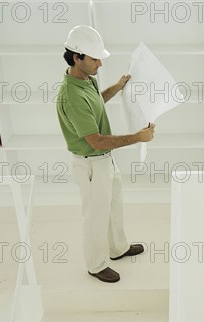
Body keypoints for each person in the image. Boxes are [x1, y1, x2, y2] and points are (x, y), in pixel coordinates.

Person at [57, 25, 155, 283]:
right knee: (95, 216)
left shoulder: (85, 80)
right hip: (90, 163)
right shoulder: (71, 96)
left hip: (104, 160)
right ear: (77, 57)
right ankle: (95, 264)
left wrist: (117, 86)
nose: (100, 63)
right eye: (94, 58)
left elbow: (96, 100)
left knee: (114, 206)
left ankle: (117, 248)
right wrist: (137, 137)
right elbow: (96, 141)